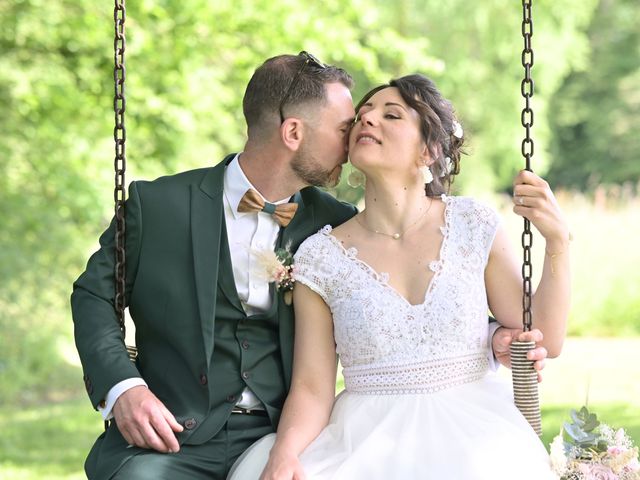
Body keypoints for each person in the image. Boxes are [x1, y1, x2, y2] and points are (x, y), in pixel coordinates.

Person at [71, 53, 548, 480]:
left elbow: (411, 294)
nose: (357, 137)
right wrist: (124, 388)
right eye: (346, 128)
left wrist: (492, 333)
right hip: (174, 434)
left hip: (281, 430)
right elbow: (94, 297)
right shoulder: (158, 206)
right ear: (294, 132)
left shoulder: (337, 229)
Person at [228, 74, 570, 480]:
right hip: (364, 444)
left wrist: (557, 241)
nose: (367, 121)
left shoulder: (472, 225)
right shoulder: (321, 258)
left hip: (478, 438)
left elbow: (545, 333)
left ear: (428, 151)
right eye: (362, 115)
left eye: (391, 115)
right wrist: (285, 455)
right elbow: (312, 387)